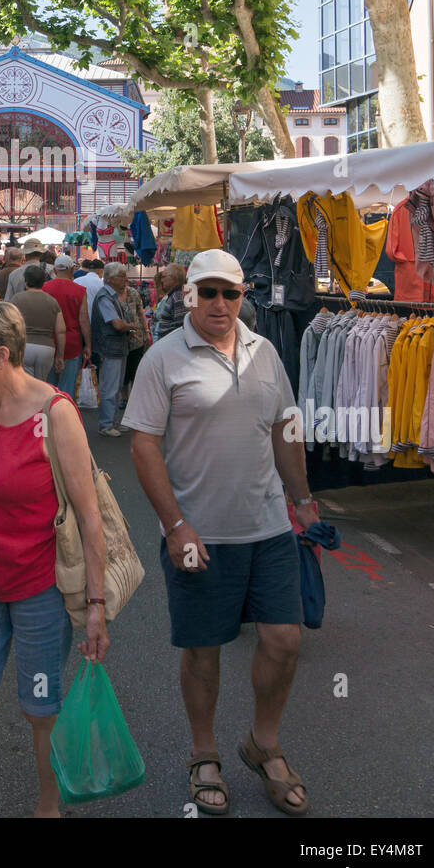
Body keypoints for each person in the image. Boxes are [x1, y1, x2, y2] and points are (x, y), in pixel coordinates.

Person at [122, 249, 318, 817]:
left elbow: (285, 427)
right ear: (189, 294)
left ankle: (263, 743)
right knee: (204, 649)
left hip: (267, 528)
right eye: (208, 292)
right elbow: (143, 444)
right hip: (199, 534)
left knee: (284, 641)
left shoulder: (266, 352)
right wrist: (175, 525)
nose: (219, 304)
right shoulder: (164, 358)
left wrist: (301, 499)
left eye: (229, 293)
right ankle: (203, 753)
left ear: (242, 297)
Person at [0, 303, 109, 818]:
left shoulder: (54, 412)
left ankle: (47, 806)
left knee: (40, 711)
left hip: (40, 588)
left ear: (2, 355)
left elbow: (89, 516)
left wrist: (96, 603)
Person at [90, 263, 132, 437]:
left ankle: (112, 421)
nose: (125, 280)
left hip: (116, 347)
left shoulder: (111, 296)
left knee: (115, 385)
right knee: (110, 387)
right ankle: (107, 424)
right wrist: (132, 326)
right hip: (110, 348)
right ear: (111, 278)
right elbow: (116, 323)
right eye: (122, 276)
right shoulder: (105, 297)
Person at [43, 254, 91, 401]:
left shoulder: (44, 288)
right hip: (72, 343)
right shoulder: (79, 290)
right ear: (72, 270)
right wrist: (88, 344)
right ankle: (65, 418)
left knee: (48, 387)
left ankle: (48, 419)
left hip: (49, 341)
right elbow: (83, 319)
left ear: (55, 271)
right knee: (67, 388)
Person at [11, 263, 66, 381]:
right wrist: (60, 356)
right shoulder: (52, 302)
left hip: (24, 346)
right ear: (43, 282)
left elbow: (9, 325)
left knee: (25, 383)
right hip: (47, 348)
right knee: (41, 384)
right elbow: (61, 331)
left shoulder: (17, 299)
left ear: (26, 282)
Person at [121, 276, 152, 405]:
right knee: (124, 372)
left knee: (134, 369)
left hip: (136, 337)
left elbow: (141, 312)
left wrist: (146, 331)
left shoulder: (134, 293)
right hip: (121, 337)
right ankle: (124, 398)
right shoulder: (112, 294)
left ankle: (133, 398)